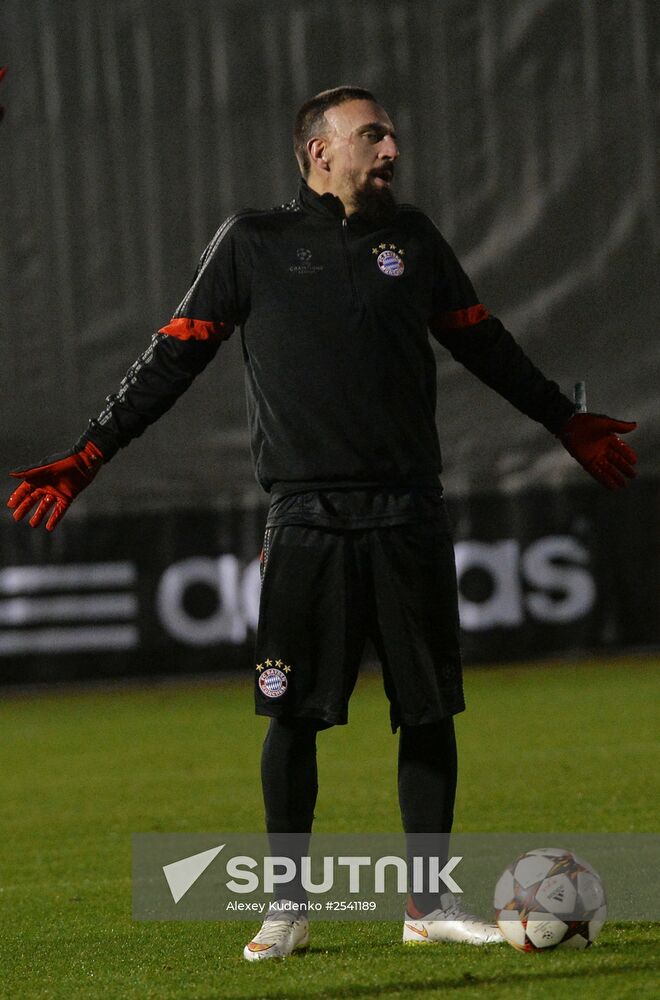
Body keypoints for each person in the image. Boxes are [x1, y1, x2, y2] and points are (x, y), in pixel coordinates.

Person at [7, 86, 638, 960]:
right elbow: (171, 358)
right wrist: (89, 453)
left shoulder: (414, 240)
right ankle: (288, 906)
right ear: (320, 152)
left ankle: (426, 905)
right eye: (373, 135)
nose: (391, 150)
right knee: (293, 716)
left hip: (410, 509)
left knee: (428, 711)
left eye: (391, 135)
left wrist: (563, 420)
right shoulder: (253, 242)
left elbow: (485, 344)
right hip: (306, 516)